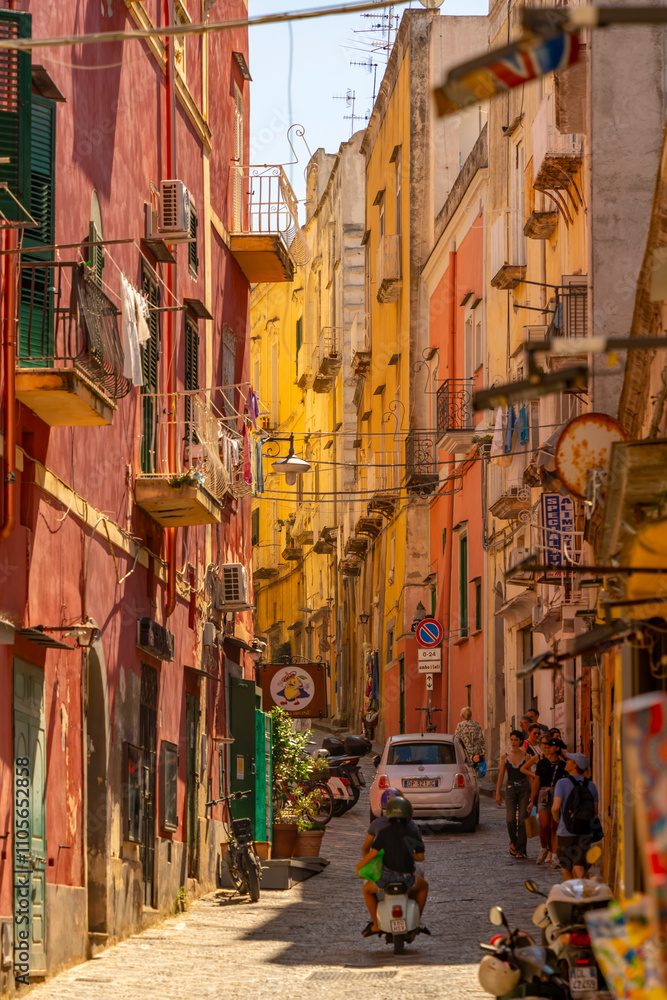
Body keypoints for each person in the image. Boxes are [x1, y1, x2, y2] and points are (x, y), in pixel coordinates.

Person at [356, 796, 429, 935]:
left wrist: (358, 867)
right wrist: (407, 854)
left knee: (366, 890)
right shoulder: (413, 832)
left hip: (385, 878)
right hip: (408, 878)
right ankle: (417, 922)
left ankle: (376, 925)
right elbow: (420, 857)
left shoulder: (384, 833)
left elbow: (372, 854)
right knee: (424, 887)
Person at [552, 752, 599, 880]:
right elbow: (595, 811)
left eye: (569, 761)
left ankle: (571, 896)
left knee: (566, 868)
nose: (566, 762)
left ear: (574, 765)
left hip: (566, 831)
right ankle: (585, 895)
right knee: (580, 866)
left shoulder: (562, 783)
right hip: (585, 832)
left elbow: (556, 807)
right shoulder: (592, 786)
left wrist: (557, 818)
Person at [521, 737, 565, 867]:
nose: (546, 747)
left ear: (557, 748)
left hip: (557, 795)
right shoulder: (541, 763)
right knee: (544, 826)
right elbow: (536, 783)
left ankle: (555, 855)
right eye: (545, 745)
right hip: (543, 795)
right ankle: (544, 848)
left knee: (555, 827)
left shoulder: (563, 765)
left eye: (550, 745)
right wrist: (532, 800)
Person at [495, 730, 532, 859]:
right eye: (511, 740)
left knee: (522, 820)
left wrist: (533, 795)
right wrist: (498, 793)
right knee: (510, 819)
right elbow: (501, 775)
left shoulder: (527, 757)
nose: (513, 742)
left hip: (524, 788)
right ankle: (514, 844)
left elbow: (530, 777)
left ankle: (520, 850)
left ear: (521, 741)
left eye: (516, 740)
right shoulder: (505, 756)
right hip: (510, 788)